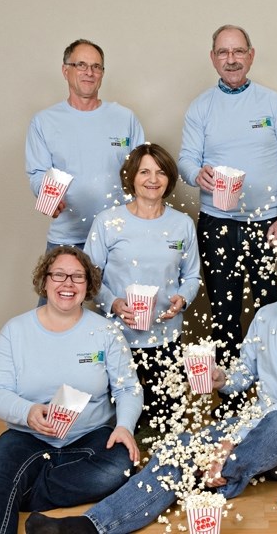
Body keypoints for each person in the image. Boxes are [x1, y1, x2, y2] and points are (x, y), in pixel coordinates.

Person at [24, 240, 277, 534]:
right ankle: (90, 526)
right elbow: (244, 376)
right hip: (252, 428)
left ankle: (218, 476)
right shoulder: (267, 316)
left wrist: (228, 443)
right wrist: (220, 377)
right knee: (179, 444)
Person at [0, 247, 142, 534]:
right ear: (44, 282)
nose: (68, 283)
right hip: (27, 435)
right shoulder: (15, 331)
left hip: (89, 436)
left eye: (77, 277)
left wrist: (125, 427)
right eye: (59, 275)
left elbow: (128, 387)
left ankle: (10, 493)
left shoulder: (107, 332)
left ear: (88, 285)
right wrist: (27, 412)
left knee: (120, 468)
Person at [177, 24, 277, 380]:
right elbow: (186, 159)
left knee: (272, 308)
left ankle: (272, 387)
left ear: (250, 55)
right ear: (213, 58)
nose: (231, 60)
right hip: (217, 223)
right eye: (223, 53)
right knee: (224, 311)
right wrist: (194, 173)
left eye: (237, 52)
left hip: (267, 224)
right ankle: (229, 392)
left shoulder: (273, 103)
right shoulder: (201, 107)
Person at [84, 143, 200, 431]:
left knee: (169, 426)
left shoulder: (182, 224)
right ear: (131, 177)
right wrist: (112, 302)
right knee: (113, 425)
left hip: (165, 338)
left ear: (169, 179)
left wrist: (182, 300)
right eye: (144, 171)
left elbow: (193, 277)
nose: (153, 179)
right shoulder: (108, 222)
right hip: (117, 338)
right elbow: (88, 276)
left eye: (160, 172)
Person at [26, 39, 145, 253]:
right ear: (65, 71)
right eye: (81, 65)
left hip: (119, 237)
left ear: (102, 73)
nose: (89, 72)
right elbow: (37, 173)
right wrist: (47, 195)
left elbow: (142, 172)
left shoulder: (125, 118)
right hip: (67, 238)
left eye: (96, 67)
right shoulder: (44, 121)